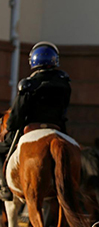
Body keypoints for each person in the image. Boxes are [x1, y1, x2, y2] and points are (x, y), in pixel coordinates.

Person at [0, 41, 71, 201]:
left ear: (34, 60)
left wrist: (13, 125)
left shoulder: (28, 84)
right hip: (58, 128)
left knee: (2, 149)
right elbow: (64, 108)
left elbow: (13, 120)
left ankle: (4, 187)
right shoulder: (64, 82)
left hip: (31, 128)